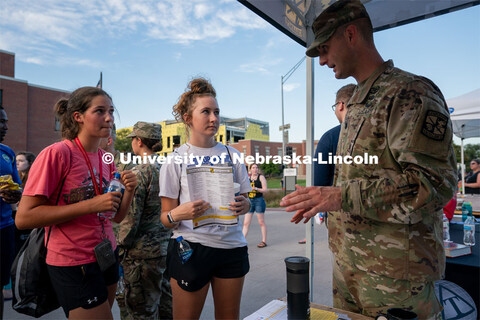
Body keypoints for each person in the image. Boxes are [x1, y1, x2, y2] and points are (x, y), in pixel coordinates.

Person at [281, 0, 457, 318]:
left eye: (324, 48)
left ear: (351, 35)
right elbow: (364, 175)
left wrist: (339, 196)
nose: (321, 61)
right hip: (352, 268)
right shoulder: (360, 100)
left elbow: (433, 183)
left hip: (398, 281)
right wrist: (323, 200)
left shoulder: (409, 93)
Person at [16, 87, 137, 319]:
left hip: (106, 254)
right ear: (78, 116)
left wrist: (129, 191)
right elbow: (24, 218)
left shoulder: (106, 158)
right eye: (100, 111)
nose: (109, 118)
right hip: (73, 261)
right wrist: (92, 205)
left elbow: (116, 217)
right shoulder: (57, 154)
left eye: (111, 111)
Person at [159, 77, 251, 320]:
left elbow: (246, 199)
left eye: (217, 112)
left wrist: (245, 204)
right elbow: (166, 218)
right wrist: (180, 213)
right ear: (188, 118)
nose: (214, 118)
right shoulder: (175, 159)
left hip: (232, 247)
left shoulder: (233, 155)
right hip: (191, 248)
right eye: (206, 112)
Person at [115, 121, 173, 319]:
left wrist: (120, 246)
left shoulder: (139, 173)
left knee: (141, 311)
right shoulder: (169, 167)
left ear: (139, 141)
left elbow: (131, 219)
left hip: (142, 255)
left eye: (133, 139)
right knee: (166, 306)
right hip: (167, 247)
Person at [299, 83, 354, 244]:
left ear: (341, 105)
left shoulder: (330, 137)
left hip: (343, 218)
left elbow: (320, 183)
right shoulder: (380, 132)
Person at [0, 105, 22, 318]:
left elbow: (18, 187)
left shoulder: (7, 153)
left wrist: (16, 194)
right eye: (1, 121)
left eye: (5, 121)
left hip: (4, 228)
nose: (6, 126)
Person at [242, 163, 268, 248]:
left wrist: (256, 188)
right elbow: (244, 190)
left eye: (256, 167)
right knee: (246, 223)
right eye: (253, 168)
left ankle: (263, 241)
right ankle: (242, 241)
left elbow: (265, 190)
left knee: (261, 222)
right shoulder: (248, 178)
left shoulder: (261, 177)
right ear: (250, 170)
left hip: (259, 201)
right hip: (250, 201)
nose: (255, 169)